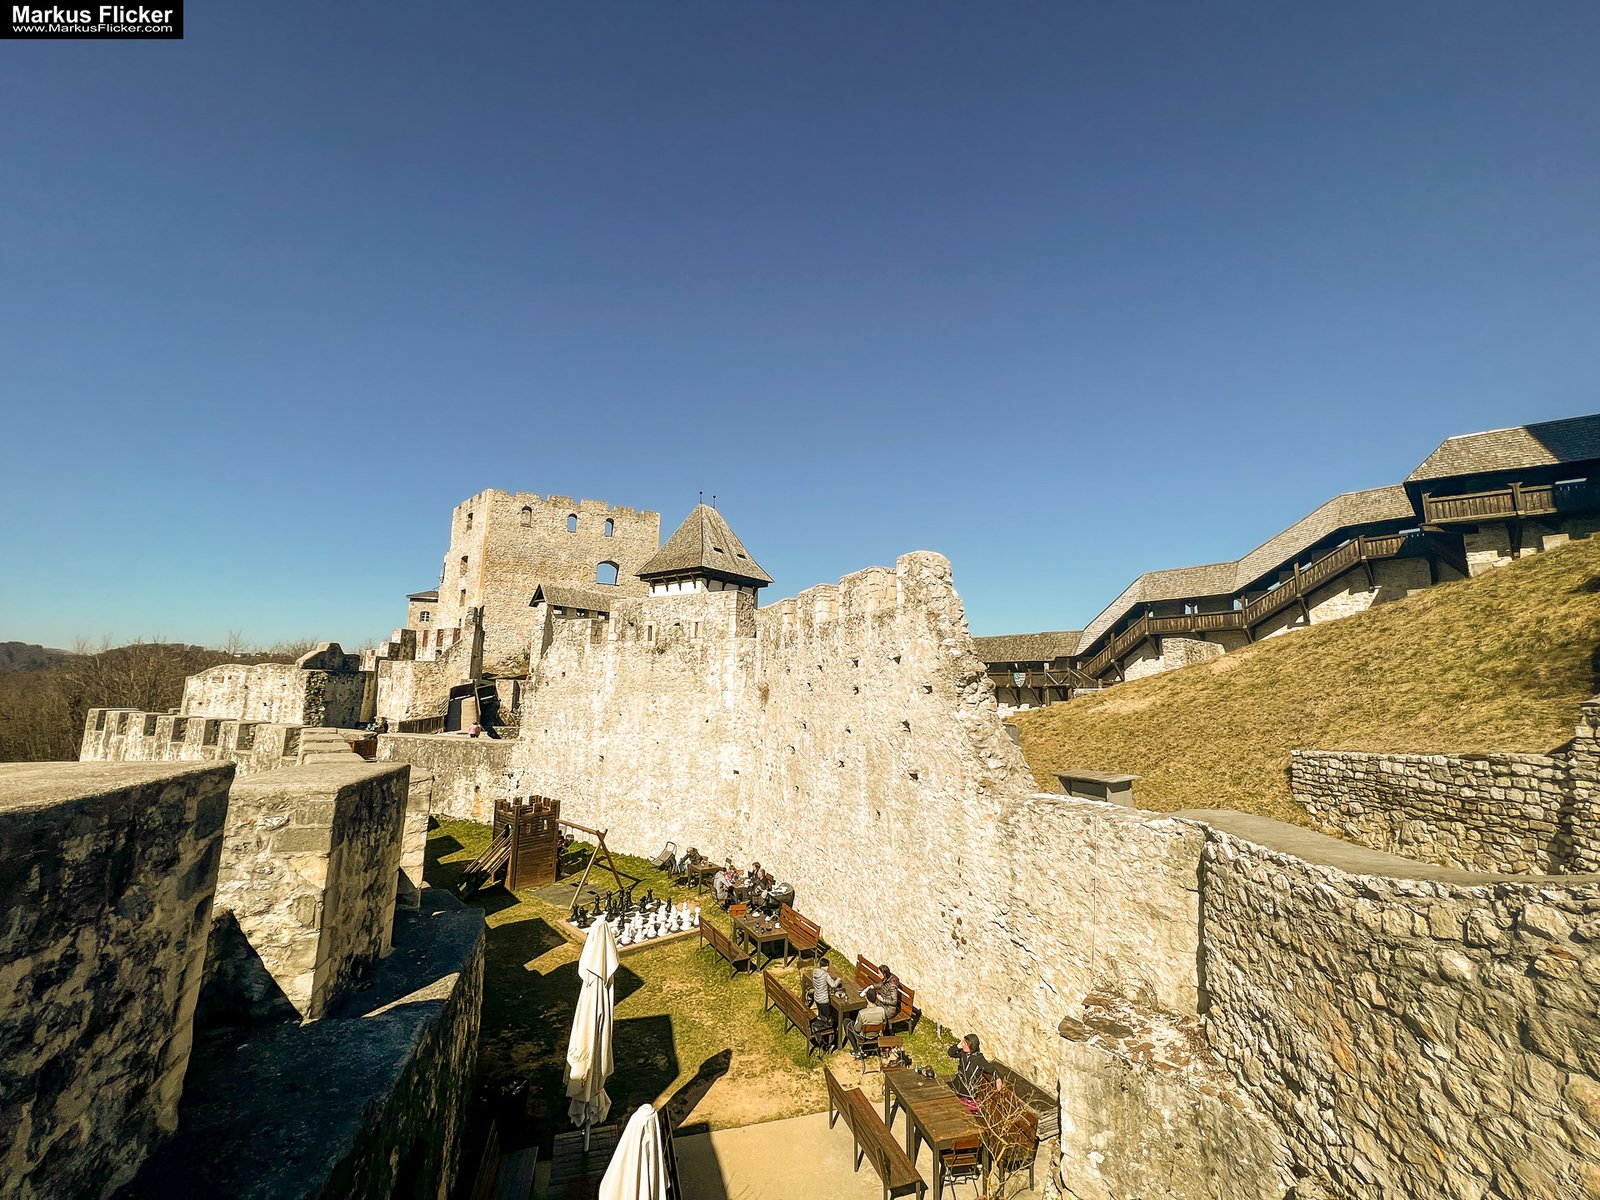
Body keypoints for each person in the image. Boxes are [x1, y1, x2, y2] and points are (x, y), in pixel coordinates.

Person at [851, 962, 901, 1049]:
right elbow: (881, 985)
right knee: (870, 997)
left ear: (884, 974)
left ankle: (868, 1024)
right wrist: (872, 986)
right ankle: (866, 1019)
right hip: (882, 1004)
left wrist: (882, 999)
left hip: (889, 1009)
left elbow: (894, 1002)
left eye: (879, 973)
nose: (878, 975)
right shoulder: (886, 979)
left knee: (871, 1005)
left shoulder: (892, 985)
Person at [947, 1033, 992, 1099]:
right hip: (958, 1083)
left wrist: (998, 1079)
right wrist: (958, 1046)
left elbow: (992, 1069)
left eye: (965, 1044)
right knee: (941, 1088)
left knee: (943, 1092)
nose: (963, 1045)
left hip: (967, 1090)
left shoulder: (979, 1060)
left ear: (971, 1046)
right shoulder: (964, 1054)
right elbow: (951, 1053)